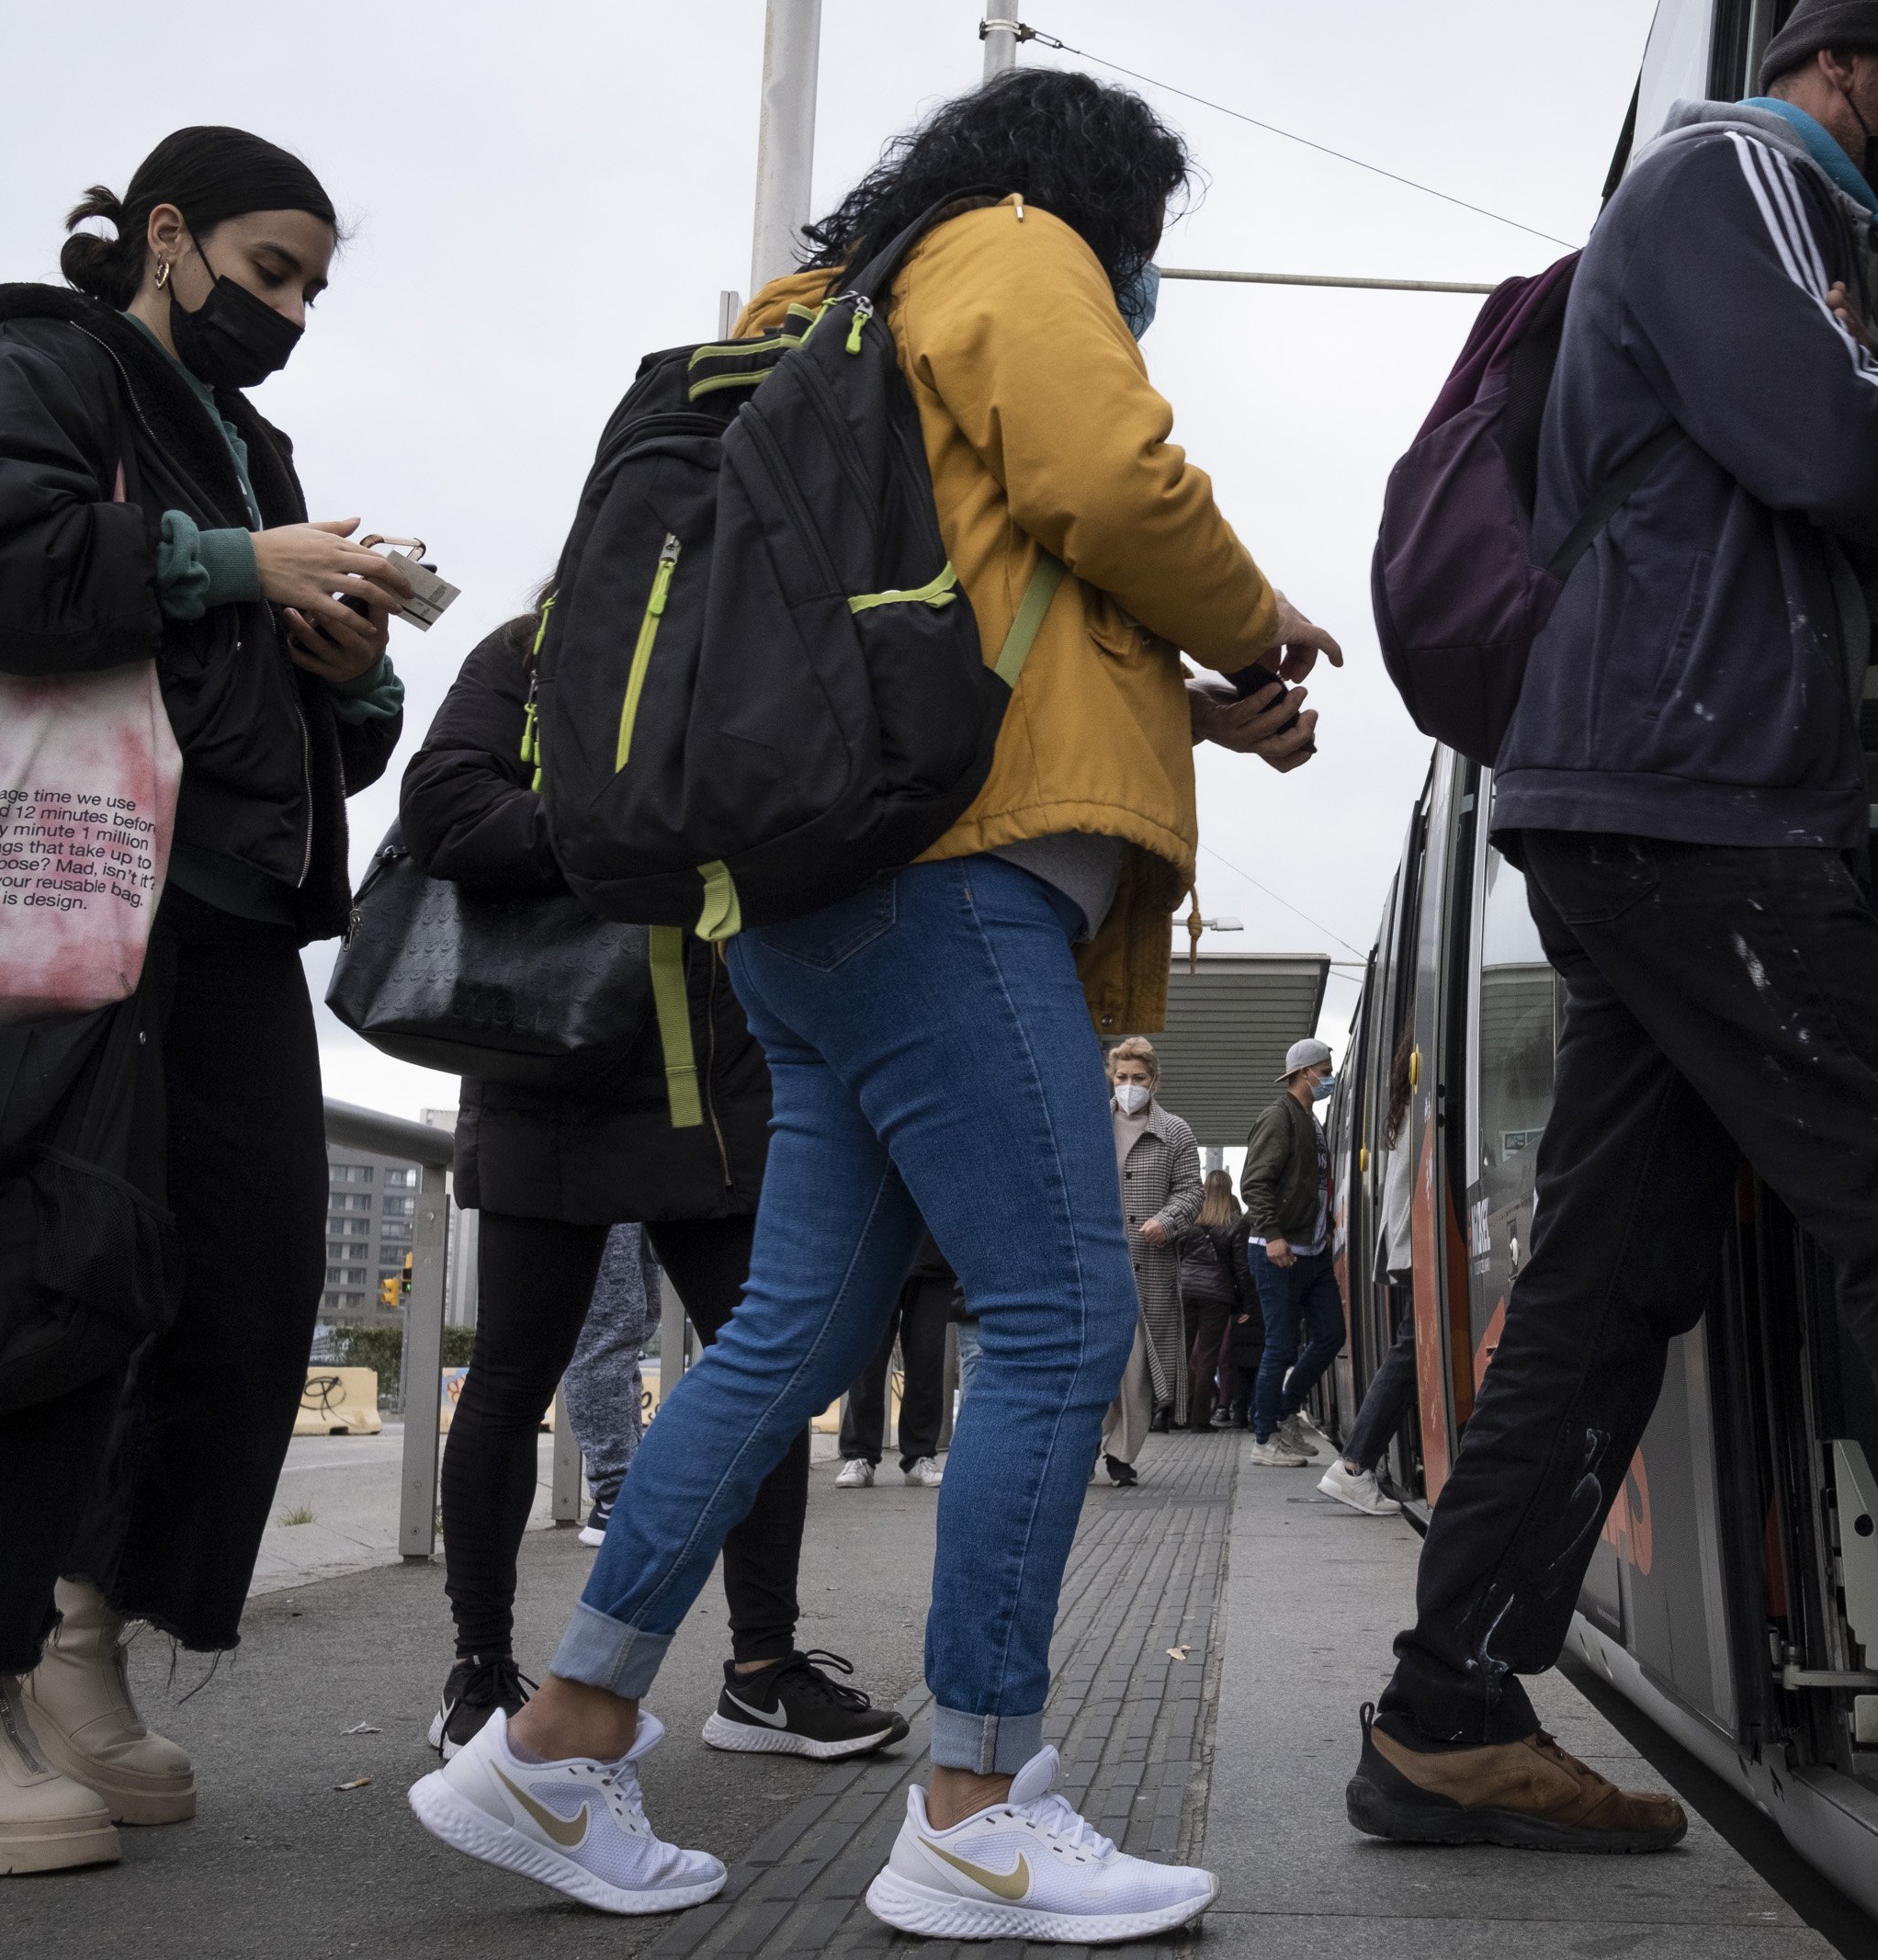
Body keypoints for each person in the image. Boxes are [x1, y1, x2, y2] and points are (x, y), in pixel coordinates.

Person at [406, 69, 1338, 1937]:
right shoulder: (1009, 251)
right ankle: (982, 1797)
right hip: (947, 887)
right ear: (1100, 205)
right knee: (1066, 1315)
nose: (1139, 280)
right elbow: (1109, 481)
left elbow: (1001, 603)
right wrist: (1253, 622)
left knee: (782, 1338)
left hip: (815, 901)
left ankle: (559, 1737)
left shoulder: (829, 326)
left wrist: (1183, 703)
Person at [1347, 0, 1878, 1857]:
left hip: (1650, 798)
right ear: (1845, 63)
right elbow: (1839, 446)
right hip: (1690, 800)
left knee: (1612, 1268)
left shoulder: (1740, 204)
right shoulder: (1735, 174)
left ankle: (1447, 1711)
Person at [0, 127, 412, 1875]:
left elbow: (268, 702)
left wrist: (346, 672)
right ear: (167, 235)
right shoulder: (32, 361)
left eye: (310, 289)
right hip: (58, 907)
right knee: (39, 1266)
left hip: (214, 918)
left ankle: (68, 1646)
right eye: (269, 270)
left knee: (238, 1278)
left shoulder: (245, 438)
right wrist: (234, 566)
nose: (287, 312)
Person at [404, 608, 903, 1766]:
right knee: (511, 1376)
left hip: (719, 1075)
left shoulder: (759, 648)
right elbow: (441, 812)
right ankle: (481, 1668)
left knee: (763, 1365)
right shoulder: (527, 652)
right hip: (544, 1055)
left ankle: (762, 1673)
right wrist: (642, 828)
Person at [1319, 1029, 1420, 1517]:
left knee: (1409, 1351)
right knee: (1409, 1353)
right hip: (1418, 1241)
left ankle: (1355, 1464)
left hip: (1409, 1241)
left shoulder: (1406, 1096)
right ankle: (1355, 1466)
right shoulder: (1425, 1087)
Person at [1101, 1037, 1202, 1485]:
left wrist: (1168, 1219)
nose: (1128, 1086)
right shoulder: (1090, 1124)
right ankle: (1088, 1447)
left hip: (1151, 1267)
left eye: (1137, 1078)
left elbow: (1193, 1191)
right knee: (1101, 1366)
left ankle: (1121, 1453)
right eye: (1122, 1077)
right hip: (1100, 1265)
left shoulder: (1175, 1131)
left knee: (1141, 1369)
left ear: (1154, 1081)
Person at [1242, 1039, 1345, 1468]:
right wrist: (1274, 1235)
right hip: (1277, 1250)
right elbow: (1254, 1182)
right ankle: (1264, 1438)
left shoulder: (1312, 1121)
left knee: (1331, 1334)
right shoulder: (1278, 1116)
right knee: (1279, 1345)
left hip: (1313, 1251)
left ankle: (1284, 1410)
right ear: (1304, 1073)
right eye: (1325, 1071)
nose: (1329, 1078)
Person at [837, 1225, 958, 1490]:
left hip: (934, 1249)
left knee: (928, 1357)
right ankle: (859, 1454)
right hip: (875, 1247)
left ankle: (920, 1454)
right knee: (867, 1358)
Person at [563, 1225, 661, 1545]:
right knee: (605, 1335)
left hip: (636, 1187)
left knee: (630, 1330)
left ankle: (626, 1486)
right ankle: (615, 1497)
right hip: (599, 1187)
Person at [1177, 1170, 1260, 1427]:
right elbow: (1241, 1268)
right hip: (1217, 1295)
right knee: (1208, 1358)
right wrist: (1246, 1304)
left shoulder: (1189, 1220)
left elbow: (1178, 1256)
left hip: (1186, 1290)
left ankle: (1170, 1413)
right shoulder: (1235, 1222)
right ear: (1229, 1190)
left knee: (1183, 1354)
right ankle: (1199, 1421)